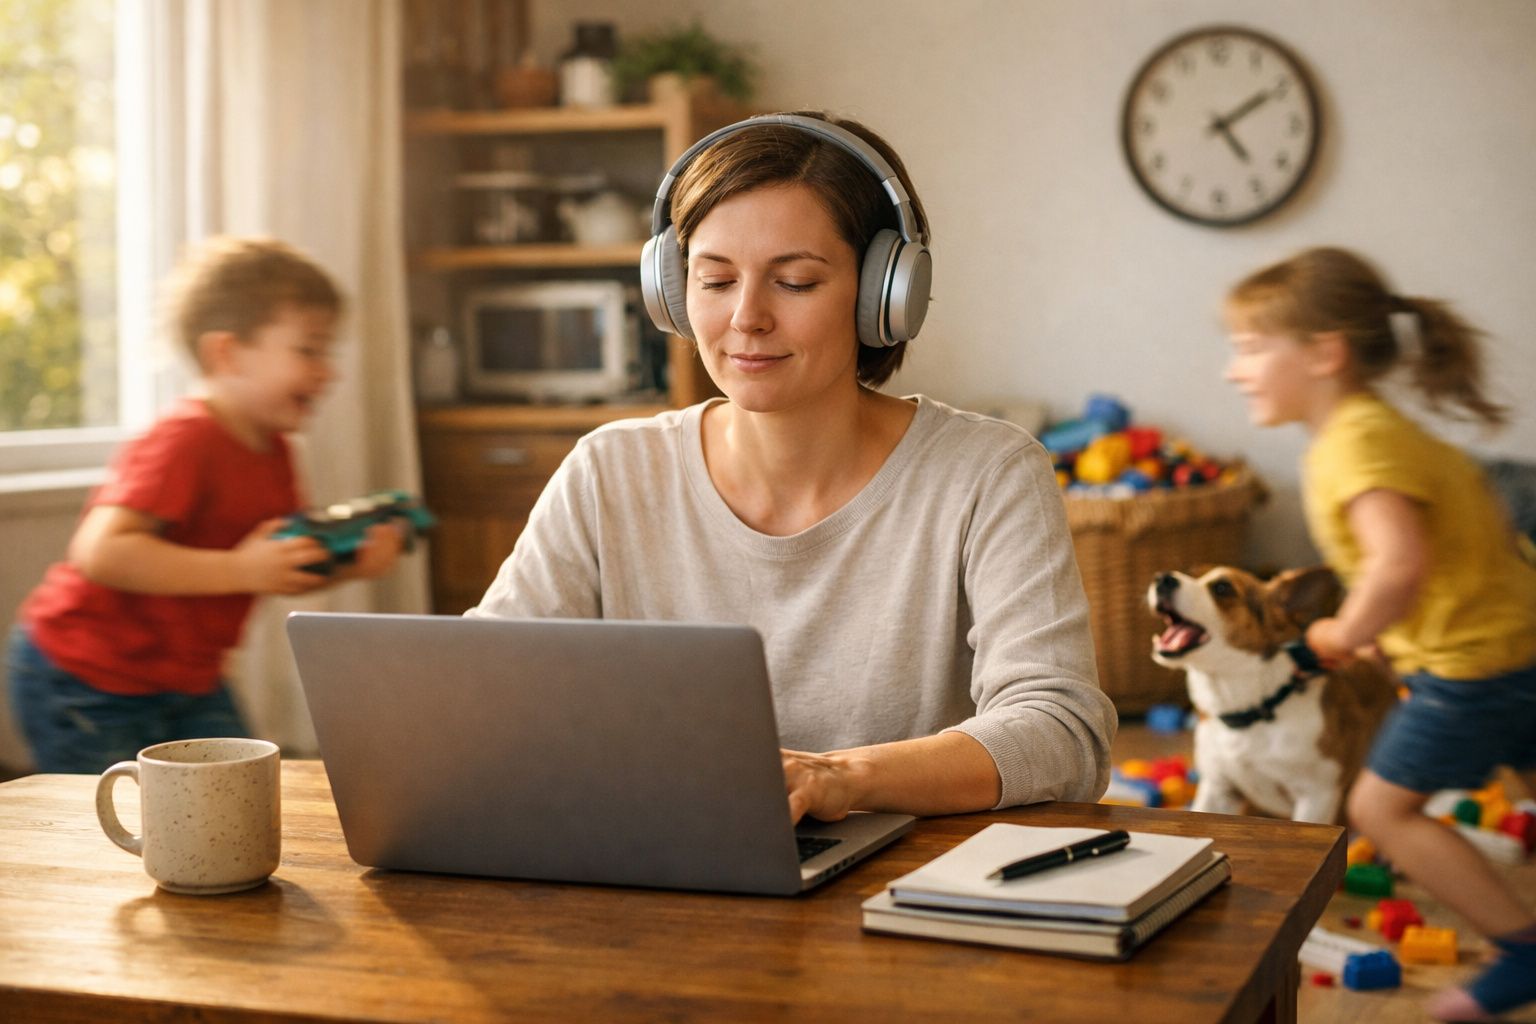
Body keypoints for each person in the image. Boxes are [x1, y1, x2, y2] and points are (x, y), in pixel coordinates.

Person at [469, 111, 1115, 824]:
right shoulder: (609, 470)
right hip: (657, 869)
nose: (747, 317)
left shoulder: (987, 473)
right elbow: (490, 683)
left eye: (797, 283)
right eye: (714, 281)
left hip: (899, 893)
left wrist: (841, 779)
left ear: (883, 298)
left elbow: (1061, 732)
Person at [1224, 246, 1536, 1022]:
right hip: (1515, 640)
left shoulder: (1353, 444)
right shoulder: (1375, 431)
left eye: (1253, 347)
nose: (1236, 369)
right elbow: (1422, 564)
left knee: (1380, 809)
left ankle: (1523, 949)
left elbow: (1397, 565)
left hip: (1475, 668)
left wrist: (1340, 629)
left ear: (1324, 353)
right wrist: (1380, 630)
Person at [6, 237, 405, 774]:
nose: (327, 371)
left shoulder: (276, 448)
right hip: (88, 674)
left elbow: (272, 564)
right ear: (228, 353)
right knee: (110, 827)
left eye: (327, 352)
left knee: (239, 793)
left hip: (187, 677)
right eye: (308, 350)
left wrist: (350, 563)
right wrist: (240, 567)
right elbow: (100, 552)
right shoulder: (185, 439)